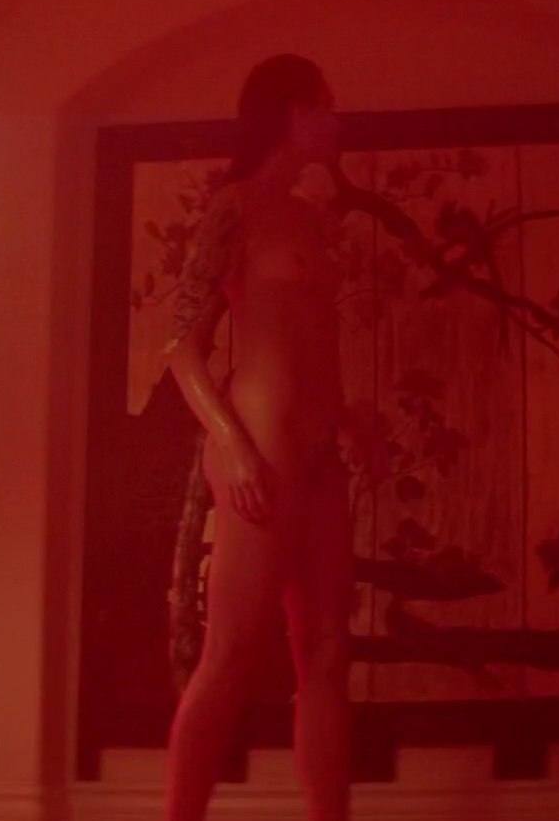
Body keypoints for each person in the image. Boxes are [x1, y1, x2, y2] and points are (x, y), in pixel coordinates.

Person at [162, 54, 353, 821]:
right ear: (296, 113)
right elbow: (182, 348)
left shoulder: (310, 219)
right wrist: (233, 446)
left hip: (322, 460)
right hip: (260, 454)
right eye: (327, 106)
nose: (337, 121)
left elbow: (312, 343)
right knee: (232, 654)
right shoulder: (234, 208)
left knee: (329, 655)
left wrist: (353, 424)